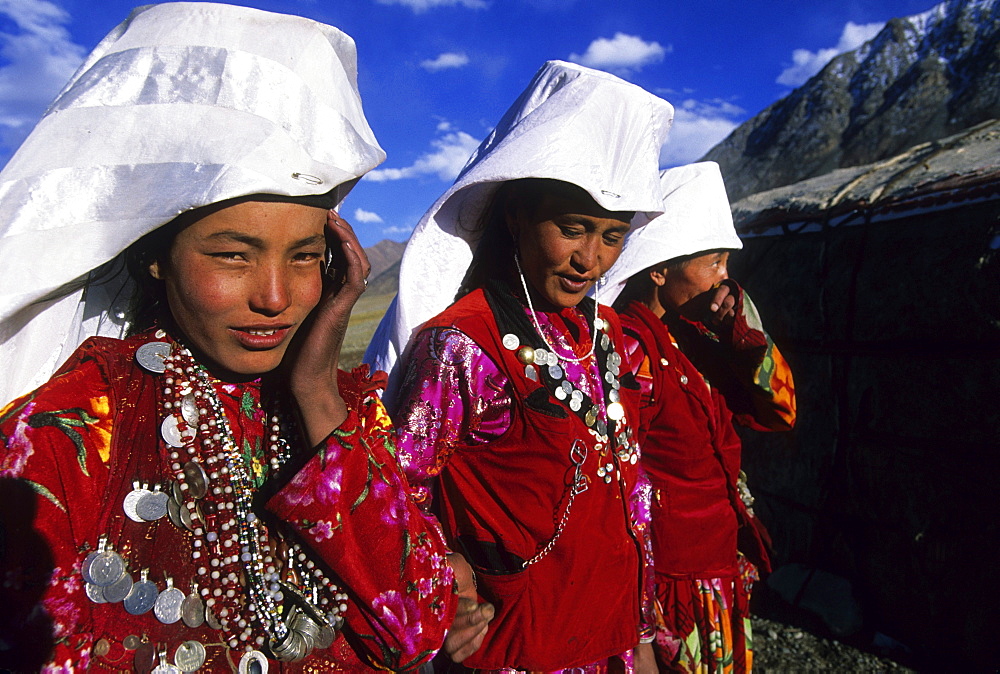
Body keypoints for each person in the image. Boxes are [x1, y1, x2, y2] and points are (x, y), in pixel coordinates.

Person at [0, 4, 490, 670]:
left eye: (303, 255)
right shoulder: (74, 433)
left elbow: (415, 629)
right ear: (154, 254)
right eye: (232, 255)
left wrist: (315, 391)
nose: (275, 297)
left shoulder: (343, 411)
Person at [365, 60, 674, 672]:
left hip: (611, 632)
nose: (590, 259)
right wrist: (446, 587)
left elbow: (629, 494)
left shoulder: (608, 336)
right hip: (520, 643)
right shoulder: (461, 346)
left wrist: (640, 632)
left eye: (612, 237)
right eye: (573, 228)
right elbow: (400, 489)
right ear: (515, 217)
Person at [604, 162, 797, 672]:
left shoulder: (699, 338)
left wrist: (742, 338)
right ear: (661, 269)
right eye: (713, 262)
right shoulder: (629, 349)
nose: (724, 277)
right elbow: (619, 481)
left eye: (726, 262)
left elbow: (781, 411)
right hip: (673, 578)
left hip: (717, 561)